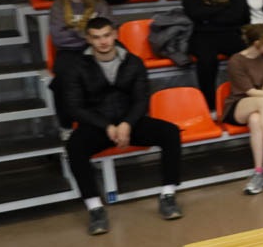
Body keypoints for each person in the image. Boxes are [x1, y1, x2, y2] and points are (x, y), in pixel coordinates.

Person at [62, 17, 183, 235]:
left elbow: (141, 100)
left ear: (115, 35)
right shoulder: (77, 67)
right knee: (74, 146)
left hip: (131, 122)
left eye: (107, 35)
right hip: (98, 126)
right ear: (88, 39)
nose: (103, 42)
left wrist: (127, 123)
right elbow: (75, 107)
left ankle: (168, 194)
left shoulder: (133, 62)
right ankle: (94, 208)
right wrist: (107, 126)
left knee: (170, 132)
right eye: (97, 37)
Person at [222, 23, 263, 195]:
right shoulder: (236, 61)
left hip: (262, 107)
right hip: (239, 104)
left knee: (256, 120)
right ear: (257, 43)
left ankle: (259, 173)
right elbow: (250, 92)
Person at [182, 0, 248, 110]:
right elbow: (195, 13)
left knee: (247, 54)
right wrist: (223, 7)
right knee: (206, 61)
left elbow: (240, 15)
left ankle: (245, 98)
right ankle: (210, 106)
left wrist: (208, 15)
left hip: (228, 33)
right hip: (202, 36)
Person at [48, 0, 112, 127]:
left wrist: (73, 31)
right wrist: (88, 34)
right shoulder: (58, 6)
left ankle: (108, 120)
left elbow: (107, 32)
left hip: (96, 50)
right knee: (62, 80)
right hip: (68, 52)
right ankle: (66, 126)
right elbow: (59, 39)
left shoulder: (99, 5)